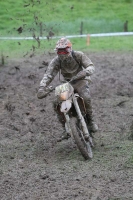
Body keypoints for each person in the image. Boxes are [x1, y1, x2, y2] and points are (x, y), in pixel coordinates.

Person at [37, 37, 98, 138]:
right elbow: (49, 74)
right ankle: (65, 127)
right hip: (66, 83)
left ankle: (91, 121)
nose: (62, 53)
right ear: (56, 51)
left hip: (80, 80)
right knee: (56, 104)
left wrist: (85, 72)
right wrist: (42, 87)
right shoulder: (56, 61)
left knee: (85, 97)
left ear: (70, 49)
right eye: (59, 51)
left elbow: (91, 66)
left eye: (64, 50)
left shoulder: (79, 55)